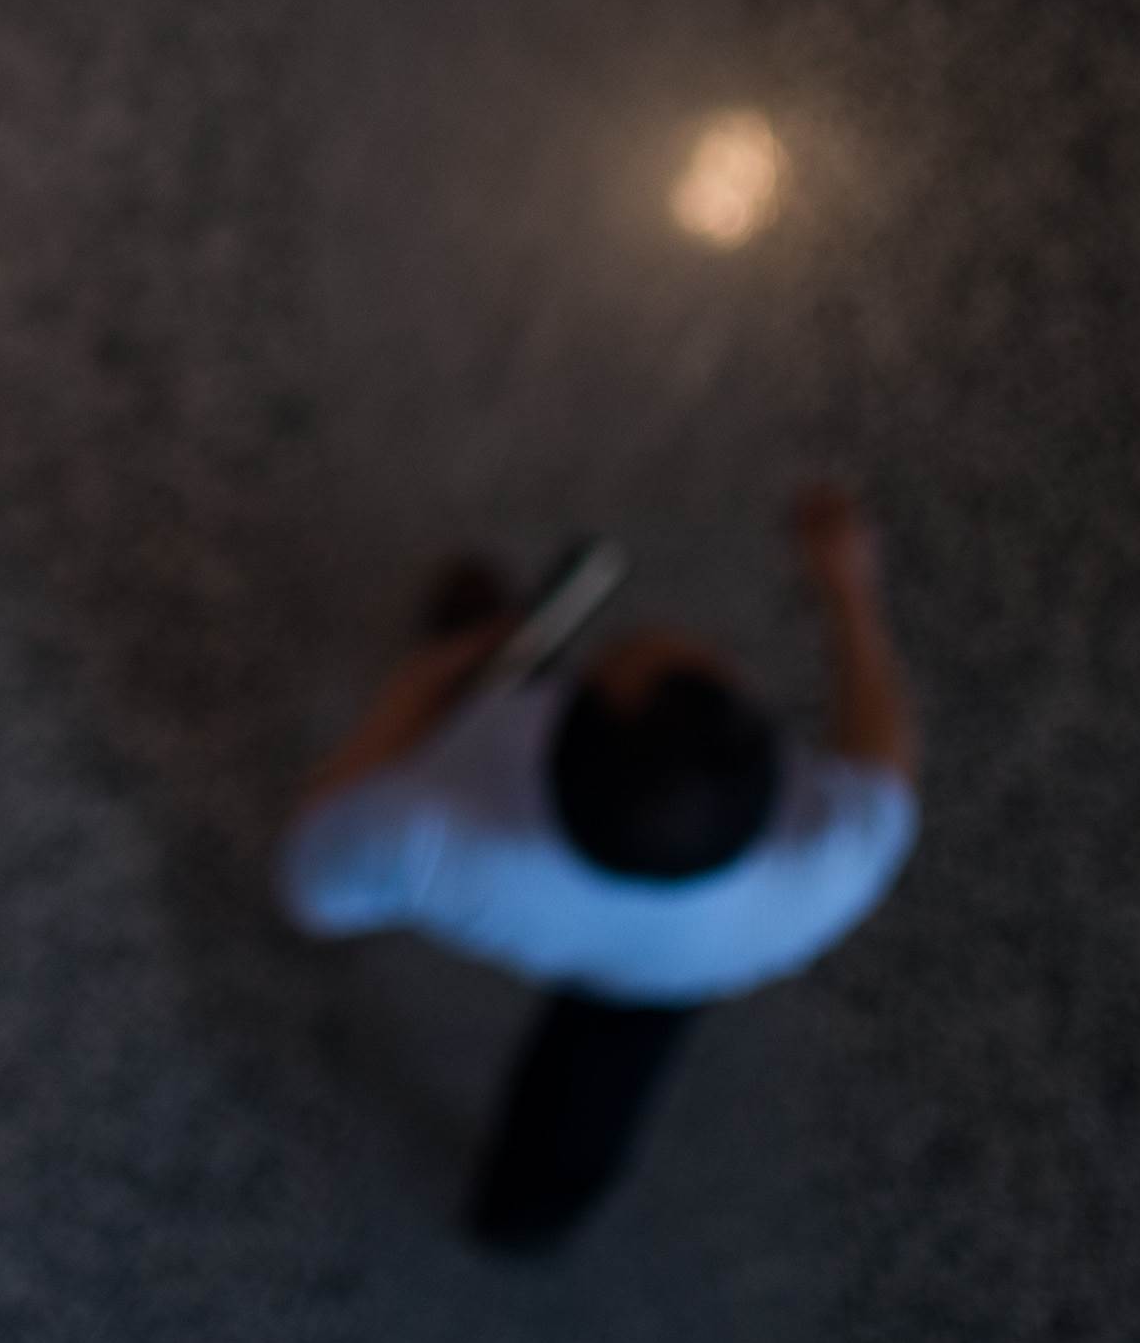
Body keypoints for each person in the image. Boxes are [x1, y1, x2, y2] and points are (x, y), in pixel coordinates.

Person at [276, 484, 919, 1250]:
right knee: (586, 1104)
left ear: (555, 742)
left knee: (490, 657)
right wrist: (851, 594)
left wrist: (411, 694)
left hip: (518, 875)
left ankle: (476, 637)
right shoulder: (831, 857)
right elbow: (883, 761)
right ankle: (523, 1221)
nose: (688, 640)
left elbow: (311, 888)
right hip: (674, 973)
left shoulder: (426, 829)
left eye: (606, 665)